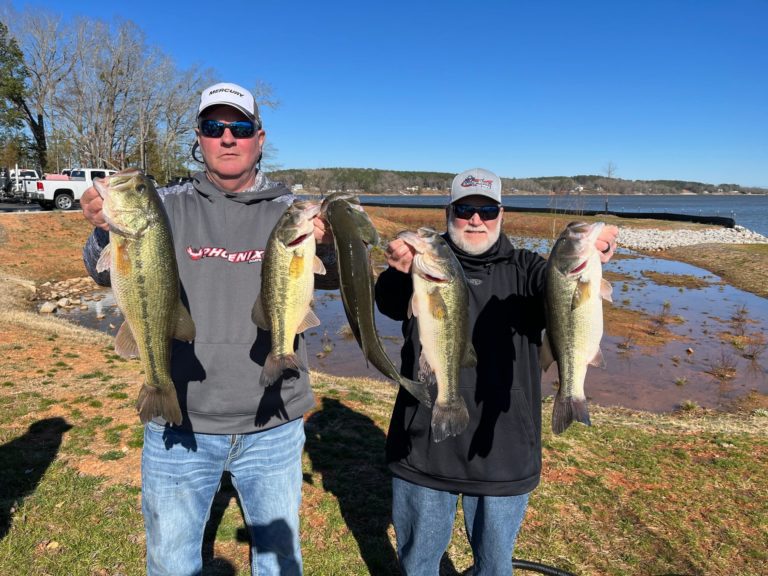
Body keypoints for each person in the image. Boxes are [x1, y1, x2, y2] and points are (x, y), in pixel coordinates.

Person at [81, 82, 336, 576]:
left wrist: (325, 247)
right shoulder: (165, 205)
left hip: (274, 423)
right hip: (181, 419)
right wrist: (100, 229)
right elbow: (99, 269)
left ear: (259, 138)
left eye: (239, 127)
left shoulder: (292, 210)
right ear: (198, 138)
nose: (226, 138)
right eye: (212, 127)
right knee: (172, 563)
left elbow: (341, 283)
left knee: (279, 563)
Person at [375, 167, 618, 575]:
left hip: (503, 450)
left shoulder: (528, 269)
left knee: (494, 566)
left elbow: (560, 285)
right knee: (417, 563)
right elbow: (386, 301)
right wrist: (400, 270)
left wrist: (595, 253)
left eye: (486, 210)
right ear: (448, 212)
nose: (475, 219)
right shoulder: (423, 266)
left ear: (501, 213)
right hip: (424, 443)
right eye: (465, 209)